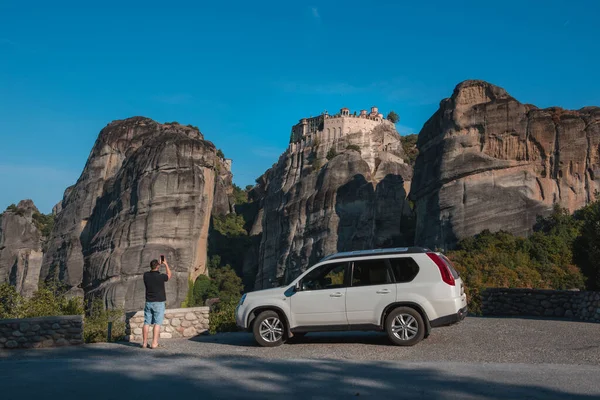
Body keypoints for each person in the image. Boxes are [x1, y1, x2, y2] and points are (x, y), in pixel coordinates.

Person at [142, 257, 172, 349]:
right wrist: (165, 264)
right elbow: (169, 275)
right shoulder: (161, 277)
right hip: (159, 302)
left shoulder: (146, 275)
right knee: (157, 323)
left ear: (151, 266)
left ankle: (144, 343)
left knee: (146, 322)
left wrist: (158, 265)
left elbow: (152, 272)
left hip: (148, 302)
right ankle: (154, 343)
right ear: (158, 266)